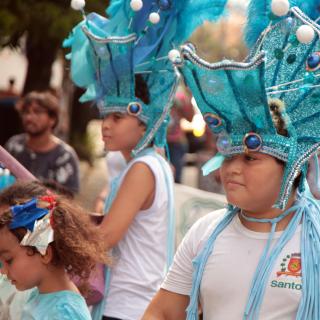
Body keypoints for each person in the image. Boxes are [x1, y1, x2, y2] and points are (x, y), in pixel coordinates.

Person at [143, 1, 320, 319]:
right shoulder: (204, 233)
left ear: (291, 165)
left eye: (250, 159)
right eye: (229, 156)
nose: (232, 168)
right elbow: (163, 313)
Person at [64, 1, 228, 319]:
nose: (106, 125)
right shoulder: (150, 163)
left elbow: (105, 238)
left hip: (128, 307)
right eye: (104, 116)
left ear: (144, 121)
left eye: (117, 117)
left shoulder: (142, 168)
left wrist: (54, 224)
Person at [0, 181, 110, 319]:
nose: (3, 270)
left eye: (9, 260)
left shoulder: (65, 312)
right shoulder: (38, 296)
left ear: (44, 252)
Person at [4, 91, 80, 193]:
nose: (29, 117)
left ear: (52, 119)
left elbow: (68, 201)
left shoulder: (65, 156)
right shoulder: (13, 145)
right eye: (26, 112)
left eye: (37, 112)